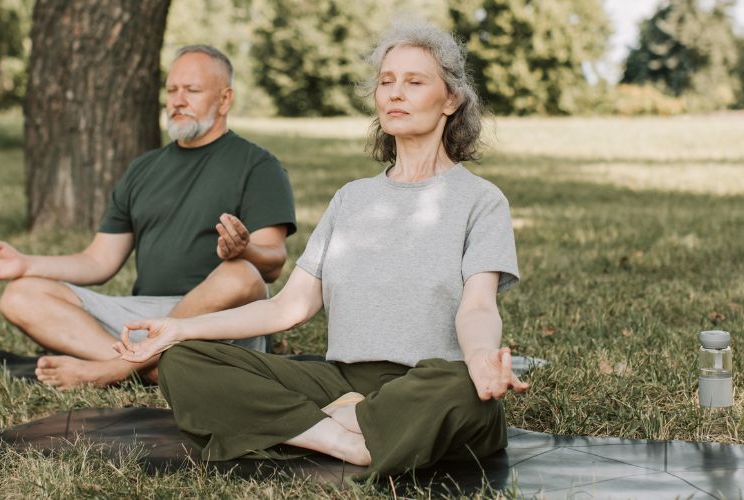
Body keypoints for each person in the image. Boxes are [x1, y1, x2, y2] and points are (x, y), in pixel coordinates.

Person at [116, 22, 527, 477]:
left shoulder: (480, 200)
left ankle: (322, 424)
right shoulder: (351, 199)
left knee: (466, 393)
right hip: (342, 382)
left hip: (427, 383)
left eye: (414, 82)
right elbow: (288, 307)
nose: (395, 93)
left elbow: (477, 308)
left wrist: (481, 360)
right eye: (386, 82)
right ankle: (343, 439)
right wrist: (179, 329)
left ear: (450, 99)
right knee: (185, 360)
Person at [0, 45, 297, 390]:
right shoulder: (144, 168)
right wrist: (25, 264)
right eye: (171, 90)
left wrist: (245, 250)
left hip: (218, 320)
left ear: (225, 100)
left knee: (241, 274)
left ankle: (109, 371)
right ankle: (150, 370)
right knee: (20, 295)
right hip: (146, 318)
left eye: (192, 91)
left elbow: (270, 265)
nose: (178, 101)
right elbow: (98, 261)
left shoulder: (258, 166)